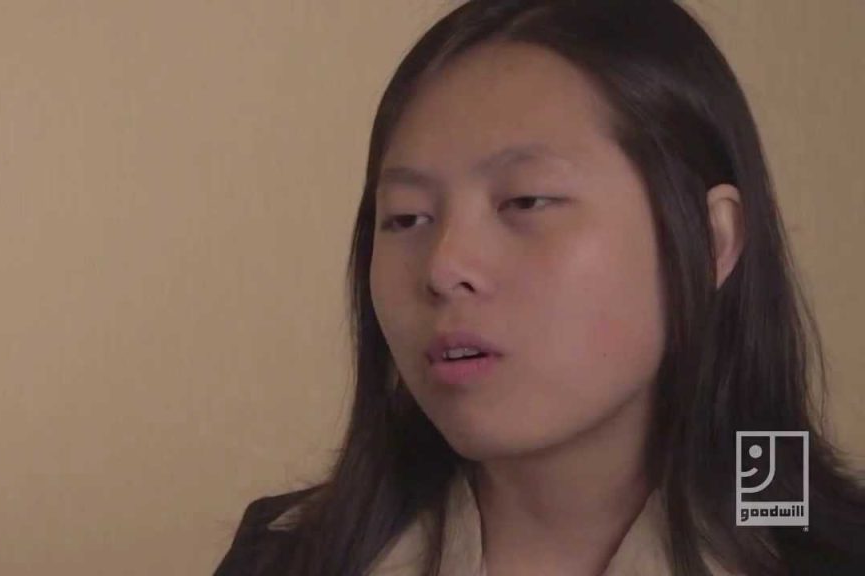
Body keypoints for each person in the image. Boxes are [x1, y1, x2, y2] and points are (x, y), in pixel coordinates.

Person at [213, 1, 865, 574]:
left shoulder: (828, 554)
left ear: (711, 240)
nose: (444, 266)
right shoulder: (286, 557)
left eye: (525, 201)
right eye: (406, 217)